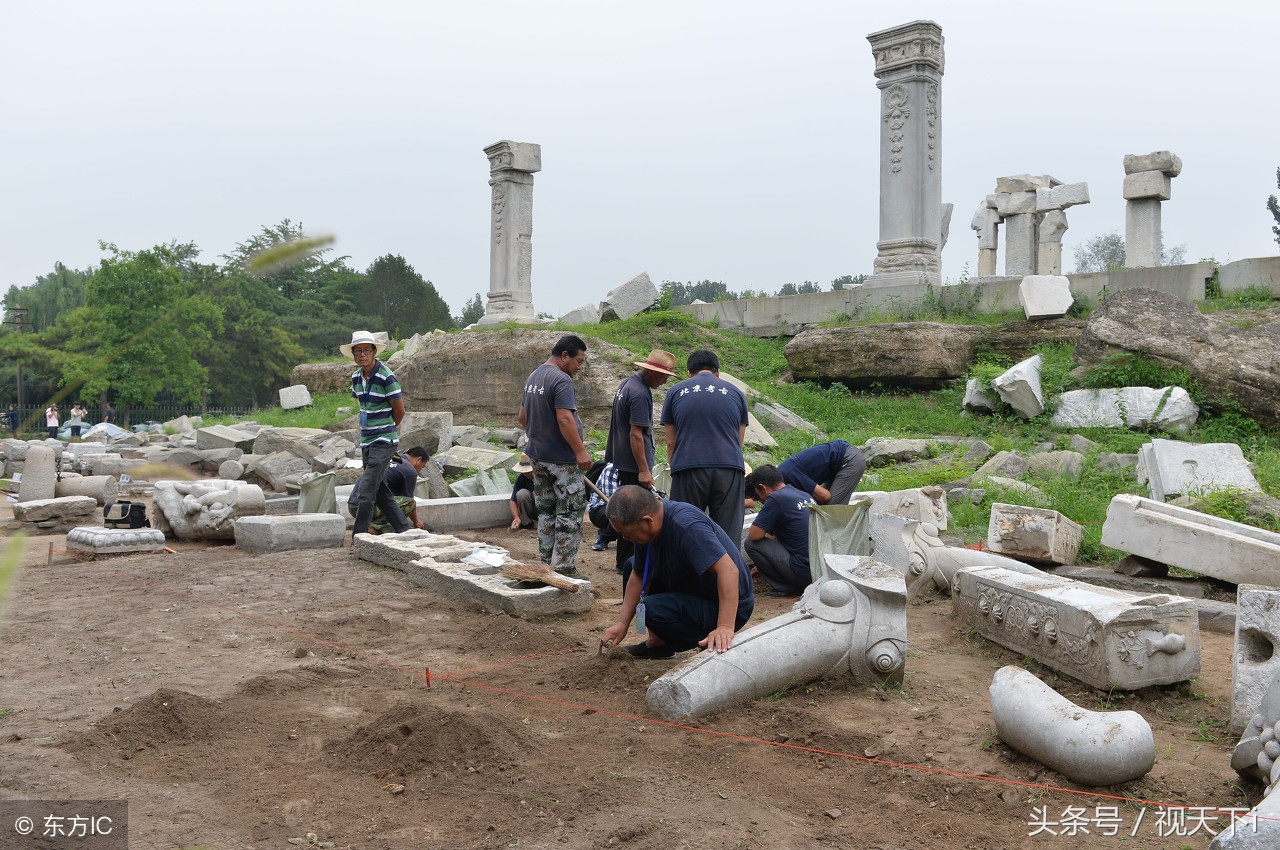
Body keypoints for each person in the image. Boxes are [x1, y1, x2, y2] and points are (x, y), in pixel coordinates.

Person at [602, 485, 754, 658]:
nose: (625, 538)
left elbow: (729, 571)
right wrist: (622, 623)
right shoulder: (649, 526)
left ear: (647, 521)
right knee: (632, 566)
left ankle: (707, 637)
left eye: (627, 534)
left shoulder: (686, 525)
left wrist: (724, 626)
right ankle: (658, 645)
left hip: (726, 605)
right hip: (694, 589)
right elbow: (638, 575)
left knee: (651, 609)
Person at [518, 335, 593, 576]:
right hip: (562, 461)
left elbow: (522, 418)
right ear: (564, 356)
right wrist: (580, 451)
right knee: (570, 512)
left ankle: (545, 565)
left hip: (538, 458)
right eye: (578, 361)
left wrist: (540, 434)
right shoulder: (561, 380)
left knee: (547, 512)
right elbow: (564, 418)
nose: (579, 367)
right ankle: (563, 568)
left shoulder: (534, 376)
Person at [659, 349, 749, 543]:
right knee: (727, 534)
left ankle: (687, 572)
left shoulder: (675, 392)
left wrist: (676, 468)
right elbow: (738, 441)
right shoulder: (736, 393)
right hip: (729, 467)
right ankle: (727, 571)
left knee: (684, 527)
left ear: (690, 372)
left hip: (688, 466)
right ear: (718, 372)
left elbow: (670, 442)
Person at [602, 348, 677, 573]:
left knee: (627, 510)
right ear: (653, 372)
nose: (665, 381)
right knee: (633, 514)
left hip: (624, 460)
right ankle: (628, 564)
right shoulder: (641, 394)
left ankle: (624, 562)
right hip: (634, 464)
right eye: (665, 376)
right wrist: (644, 470)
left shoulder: (627, 384)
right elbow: (636, 434)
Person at [344, 330, 413, 537]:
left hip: (384, 440)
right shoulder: (356, 377)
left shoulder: (386, 377)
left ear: (374, 352)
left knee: (366, 491)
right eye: (358, 351)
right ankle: (404, 529)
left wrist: (388, 429)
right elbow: (362, 404)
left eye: (366, 350)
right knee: (381, 490)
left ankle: (359, 537)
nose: (362, 355)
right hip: (367, 440)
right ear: (353, 354)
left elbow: (399, 410)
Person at [743, 464, 813, 597]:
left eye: (758, 496)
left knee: (750, 544)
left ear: (763, 488)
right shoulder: (801, 494)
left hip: (804, 573)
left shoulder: (775, 498)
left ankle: (785, 588)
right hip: (818, 570)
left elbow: (754, 535)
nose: (761, 501)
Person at [347, 445, 430, 533]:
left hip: (353, 505)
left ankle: (368, 525)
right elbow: (409, 500)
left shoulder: (394, 457)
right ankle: (374, 528)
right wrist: (416, 521)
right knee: (409, 503)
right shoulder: (410, 471)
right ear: (418, 459)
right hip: (367, 507)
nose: (419, 470)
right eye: (422, 467)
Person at [765, 440, 866, 508]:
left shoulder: (787, 476)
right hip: (838, 462)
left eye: (761, 499)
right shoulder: (780, 478)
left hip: (849, 460)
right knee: (822, 509)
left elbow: (825, 496)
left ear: (763, 487)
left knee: (832, 510)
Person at [586, 461, 619, 552]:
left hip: (619, 503)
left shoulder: (642, 469)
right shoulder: (611, 469)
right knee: (622, 510)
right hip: (600, 509)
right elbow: (612, 499)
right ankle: (604, 536)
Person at [509, 454, 537, 531]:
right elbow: (513, 500)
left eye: (529, 471)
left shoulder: (543, 476)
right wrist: (516, 517)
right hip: (532, 508)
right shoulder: (521, 478)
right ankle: (527, 523)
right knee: (522, 494)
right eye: (525, 472)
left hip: (546, 509)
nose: (527, 474)